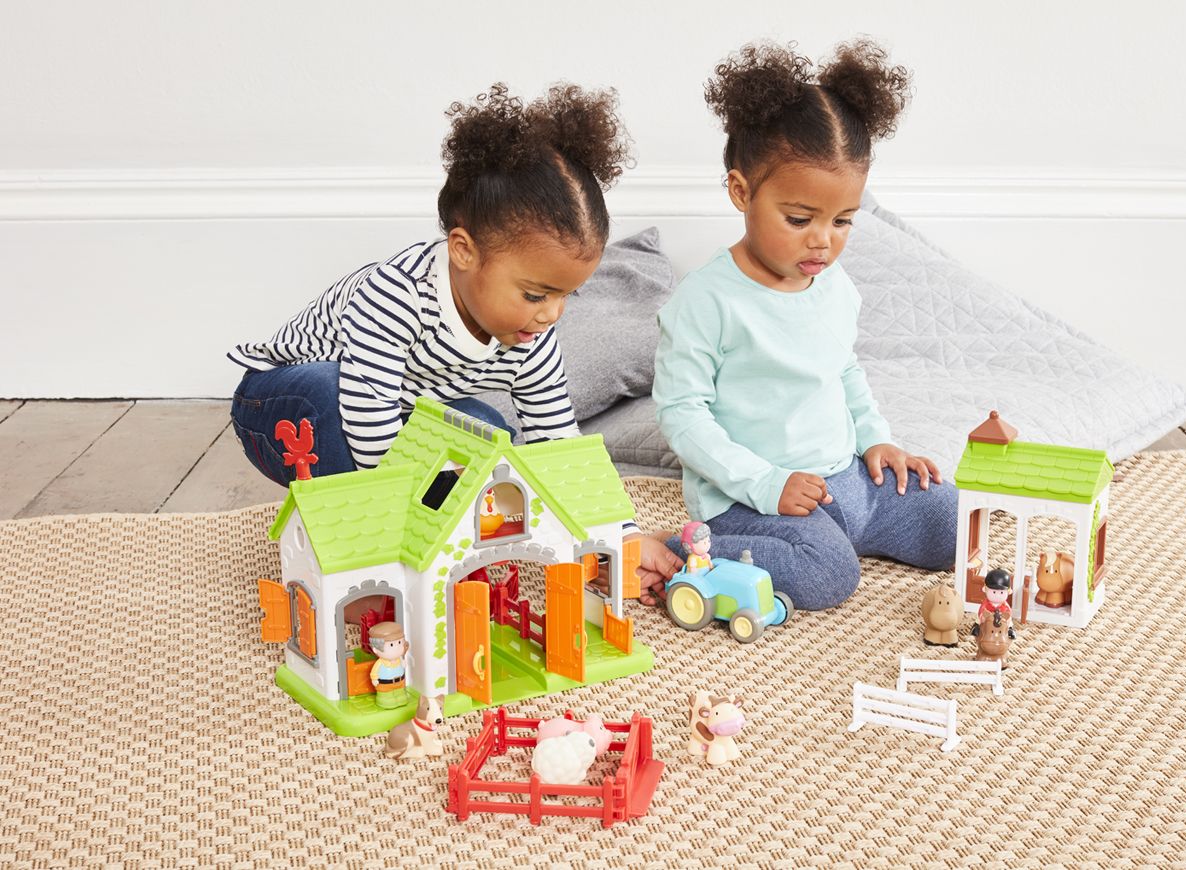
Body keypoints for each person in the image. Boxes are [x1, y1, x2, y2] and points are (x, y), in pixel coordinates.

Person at [227, 81, 682, 596]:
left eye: (566, 297)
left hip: (395, 417)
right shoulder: (396, 294)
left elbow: (557, 440)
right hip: (282, 404)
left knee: (487, 433)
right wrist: (405, 539)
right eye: (535, 294)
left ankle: (420, 534)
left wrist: (615, 536)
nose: (551, 314)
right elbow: (367, 415)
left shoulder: (531, 339)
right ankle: (361, 556)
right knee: (336, 399)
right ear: (464, 251)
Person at [651, 39, 957, 611]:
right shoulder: (706, 300)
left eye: (843, 220)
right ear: (742, 192)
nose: (823, 240)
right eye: (799, 219)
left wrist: (878, 440)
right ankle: (681, 551)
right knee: (827, 577)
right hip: (749, 498)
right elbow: (681, 416)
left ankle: (843, 532)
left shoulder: (833, 285)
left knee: (950, 519)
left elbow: (843, 367)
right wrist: (768, 483)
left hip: (842, 481)